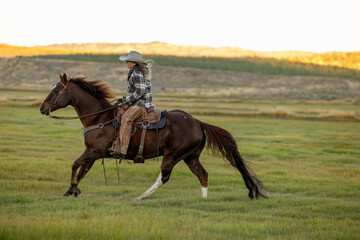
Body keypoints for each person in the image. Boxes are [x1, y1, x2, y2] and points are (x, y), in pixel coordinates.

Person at [115, 50, 155, 160]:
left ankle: (122, 150)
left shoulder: (137, 72)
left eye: (128, 61)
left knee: (126, 118)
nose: (126, 62)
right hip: (137, 102)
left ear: (133, 62)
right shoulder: (135, 71)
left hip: (141, 104)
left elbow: (140, 92)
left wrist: (126, 100)